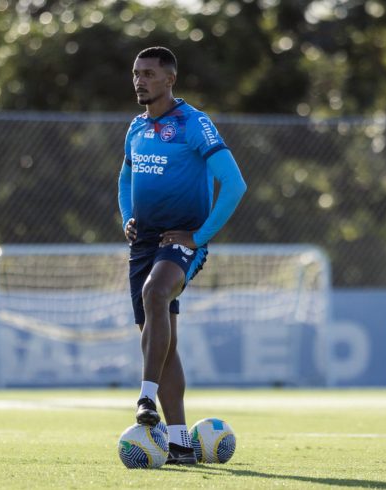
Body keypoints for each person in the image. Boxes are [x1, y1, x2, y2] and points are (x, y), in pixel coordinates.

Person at [117, 46, 247, 465]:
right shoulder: (135, 128)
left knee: (156, 294)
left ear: (170, 79)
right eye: (137, 73)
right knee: (161, 340)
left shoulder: (195, 123)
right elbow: (125, 175)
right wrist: (127, 218)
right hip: (144, 244)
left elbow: (235, 184)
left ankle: (145, 399)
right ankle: (178, 443)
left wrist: (200, 235)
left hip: (180, 241)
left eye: (150, 74)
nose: (140, 80)